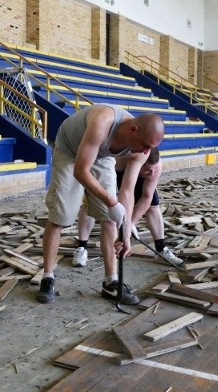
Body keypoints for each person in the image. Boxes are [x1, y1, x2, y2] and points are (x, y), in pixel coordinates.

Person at [36, 104, 165, 305]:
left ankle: (111, 282)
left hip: (102, 156)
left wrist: (127, 229)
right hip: (70, 151)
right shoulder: (102, 121)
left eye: (151, 148)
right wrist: (112, 201)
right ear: (133, 130)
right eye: (145, 145)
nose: (146, 151)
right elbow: (80, 171)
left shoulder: (142, 149)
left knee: (110, 220)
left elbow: (128, 191)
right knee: (61, 216)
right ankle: (47, 277)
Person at [73, 147, 184, 269]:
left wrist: (130, 223)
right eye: (148, 170)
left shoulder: (155, 168)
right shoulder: (125, 158)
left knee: (153, 205)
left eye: (153, 169)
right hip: (112, 171)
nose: (152, 173)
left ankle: (161, 248)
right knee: (90, 204)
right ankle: (82, 247)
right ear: (141, 163)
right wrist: (123, 226)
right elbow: (126, 192)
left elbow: (147, 197)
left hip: (133, 174)